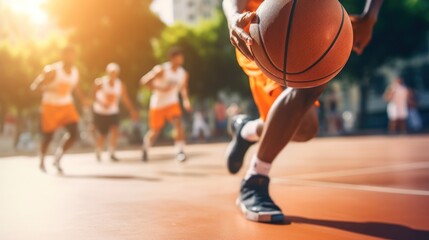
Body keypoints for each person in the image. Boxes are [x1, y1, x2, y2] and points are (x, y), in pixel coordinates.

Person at [223, 0, 384, 223]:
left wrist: (370, 16)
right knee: (306, 91)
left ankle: (247, 129)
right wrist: (233, 16)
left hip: (314, 12)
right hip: (260, 22)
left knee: (306, 128)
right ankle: (255, 180)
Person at [30, 46, 88, 173]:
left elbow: (76, 87)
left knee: (74, 133)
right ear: (63, 56)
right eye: (68, 55)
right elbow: (34, 86)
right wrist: (42, 87)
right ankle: (42, 159)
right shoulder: (52, 71)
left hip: (66, 105)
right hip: (50, 106)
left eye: (72, 55)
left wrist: (83, 99)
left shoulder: (75, 72)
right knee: (48, 137)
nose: (70, 58)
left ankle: (57, 158)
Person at [139, 47, 192, 162]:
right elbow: (144, 81)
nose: (181, 59)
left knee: (178, 124)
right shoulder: (162, 70)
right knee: (155, 131)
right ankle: (145, 148)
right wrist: (161, 88)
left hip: (172, 102)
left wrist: (186, 100)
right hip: (158, 104)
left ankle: (180, 151)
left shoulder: (183, 73)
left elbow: (183, 89)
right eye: (178, 57)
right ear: (172, 59)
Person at [92, 63, 138, 162]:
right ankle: (99, 151)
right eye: (111, 72)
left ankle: (112, 152)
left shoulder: (120, 84)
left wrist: (132, 110)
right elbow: (94, 96)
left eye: (115, 72)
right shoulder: (100, 82)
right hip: (101, 111)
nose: (113, 74)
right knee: (103, 134)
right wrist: (102, 104)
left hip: (113, 111)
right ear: (108, 72)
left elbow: (125, 98)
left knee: (115, 130)